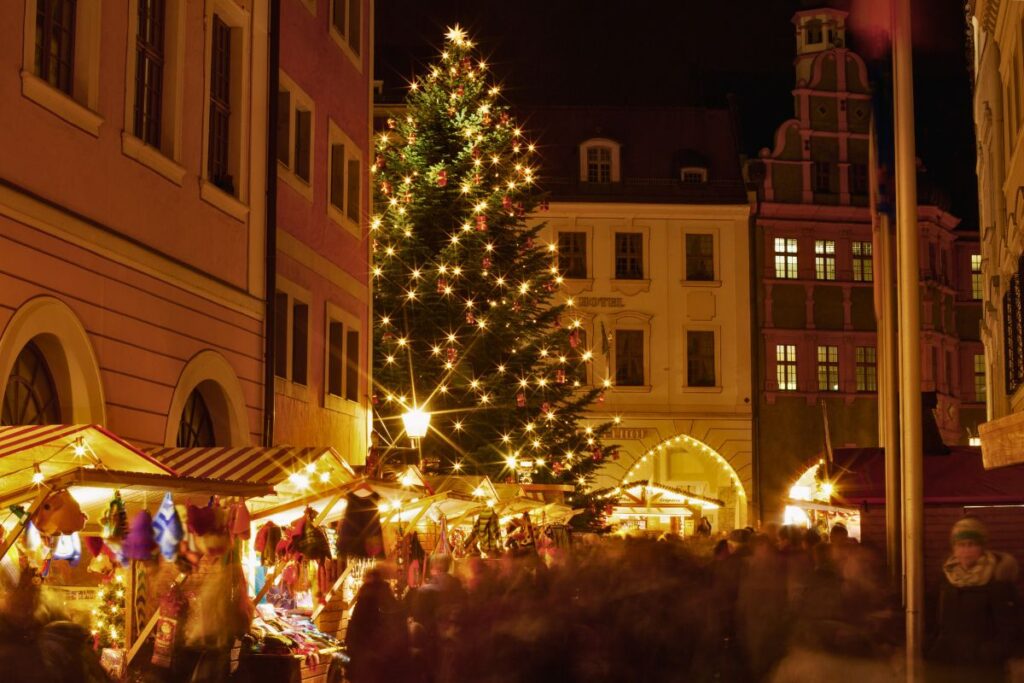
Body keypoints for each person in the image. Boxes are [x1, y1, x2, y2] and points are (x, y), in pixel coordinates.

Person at [927, 516, 1020, 682]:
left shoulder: (998, 579)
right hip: (948, 666)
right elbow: (934, 619)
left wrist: (988, 653)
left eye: (972, 544)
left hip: (984, 671)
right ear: (954, 548)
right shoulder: (945, 579)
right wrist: (932, 647)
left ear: (982, 547)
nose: (966, 550)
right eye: (961, 545)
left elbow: (1011, 628)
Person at [346, 567, 412, 683]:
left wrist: (351, 661)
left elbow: (355, 630)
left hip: (368, 662)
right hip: (388, 663)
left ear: (369, 578)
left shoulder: (365, 598)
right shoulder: (389, 598)